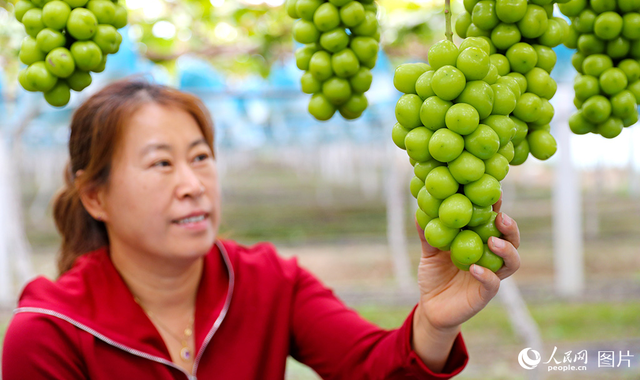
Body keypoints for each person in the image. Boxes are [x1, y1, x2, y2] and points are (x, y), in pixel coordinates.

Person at [1, 78, 521, 379]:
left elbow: (372, 368)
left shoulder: (269, 282)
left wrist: (433, 324)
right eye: (161, 164)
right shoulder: (50, 333)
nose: (193, 184)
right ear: (95, 196)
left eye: (201, 157)